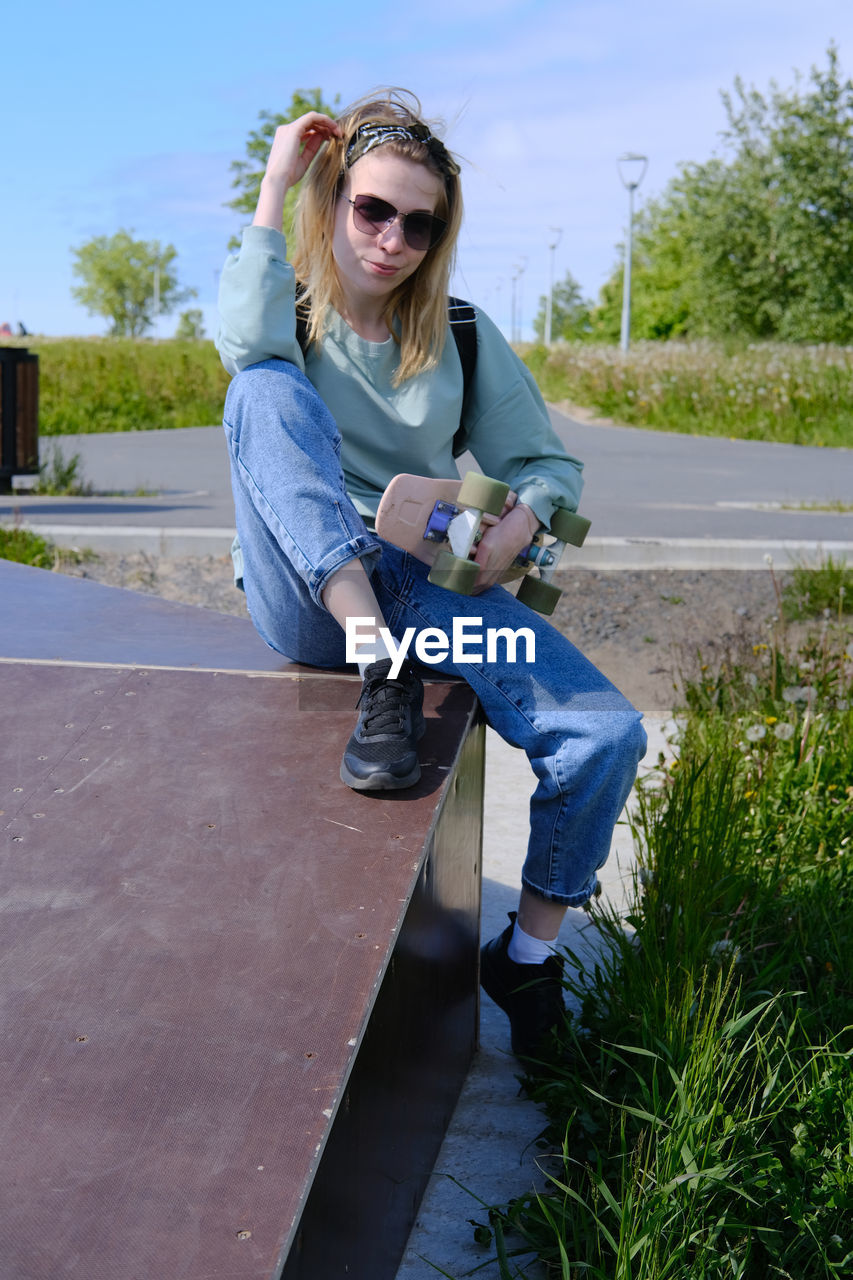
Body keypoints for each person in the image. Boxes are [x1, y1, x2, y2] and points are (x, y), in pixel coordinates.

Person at [216, 89, 647, 1064]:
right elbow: (245, 352)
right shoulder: (285, 314)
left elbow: (548, 463)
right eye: (372, 208)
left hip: (429, 592)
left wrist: (519, 523)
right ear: (332, 204)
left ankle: (528, 956)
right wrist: (276, 179)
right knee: (263, 392)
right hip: (319, 596)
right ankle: (378, 665)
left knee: (604, 732)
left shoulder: (456, 332)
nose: (392, 237)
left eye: (420, 221)